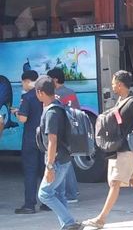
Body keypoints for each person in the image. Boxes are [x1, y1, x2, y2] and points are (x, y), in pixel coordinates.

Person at [82, 70, 133, 229]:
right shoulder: (121, 100)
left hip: (126, 150)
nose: (112, 86)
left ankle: (101, 219)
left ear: (120, 85)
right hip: (122, 148)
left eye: (113, 83)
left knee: (115, 183)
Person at [35, 75, 83, 230]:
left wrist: (49, 167)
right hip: (63, 158)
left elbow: (52, 141)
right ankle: (67, 225)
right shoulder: (57, 106)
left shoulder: (51, 112)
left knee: (44, 194)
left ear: (40, 93)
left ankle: (69, 222)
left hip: (56, 161)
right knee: (59, 194)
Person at [12, 70, 51, 214]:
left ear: (27, 81)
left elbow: (23, 118)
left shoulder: (27, 97)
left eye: (23, 82)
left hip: (30, 140)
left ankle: (29, 205)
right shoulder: (45, 95)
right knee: (44, 171)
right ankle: (47, 202)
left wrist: (16, 112)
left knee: (30, 172)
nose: (22, 85)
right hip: (44, 139)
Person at [47, 68, 80, 204]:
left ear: (55, 80)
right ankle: (72, 191)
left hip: (61, 132)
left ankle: (70, 193)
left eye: (49, 80)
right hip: (72, 131)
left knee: (63, 161)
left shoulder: (56, 95)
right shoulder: (71, 92)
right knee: (67, 161)